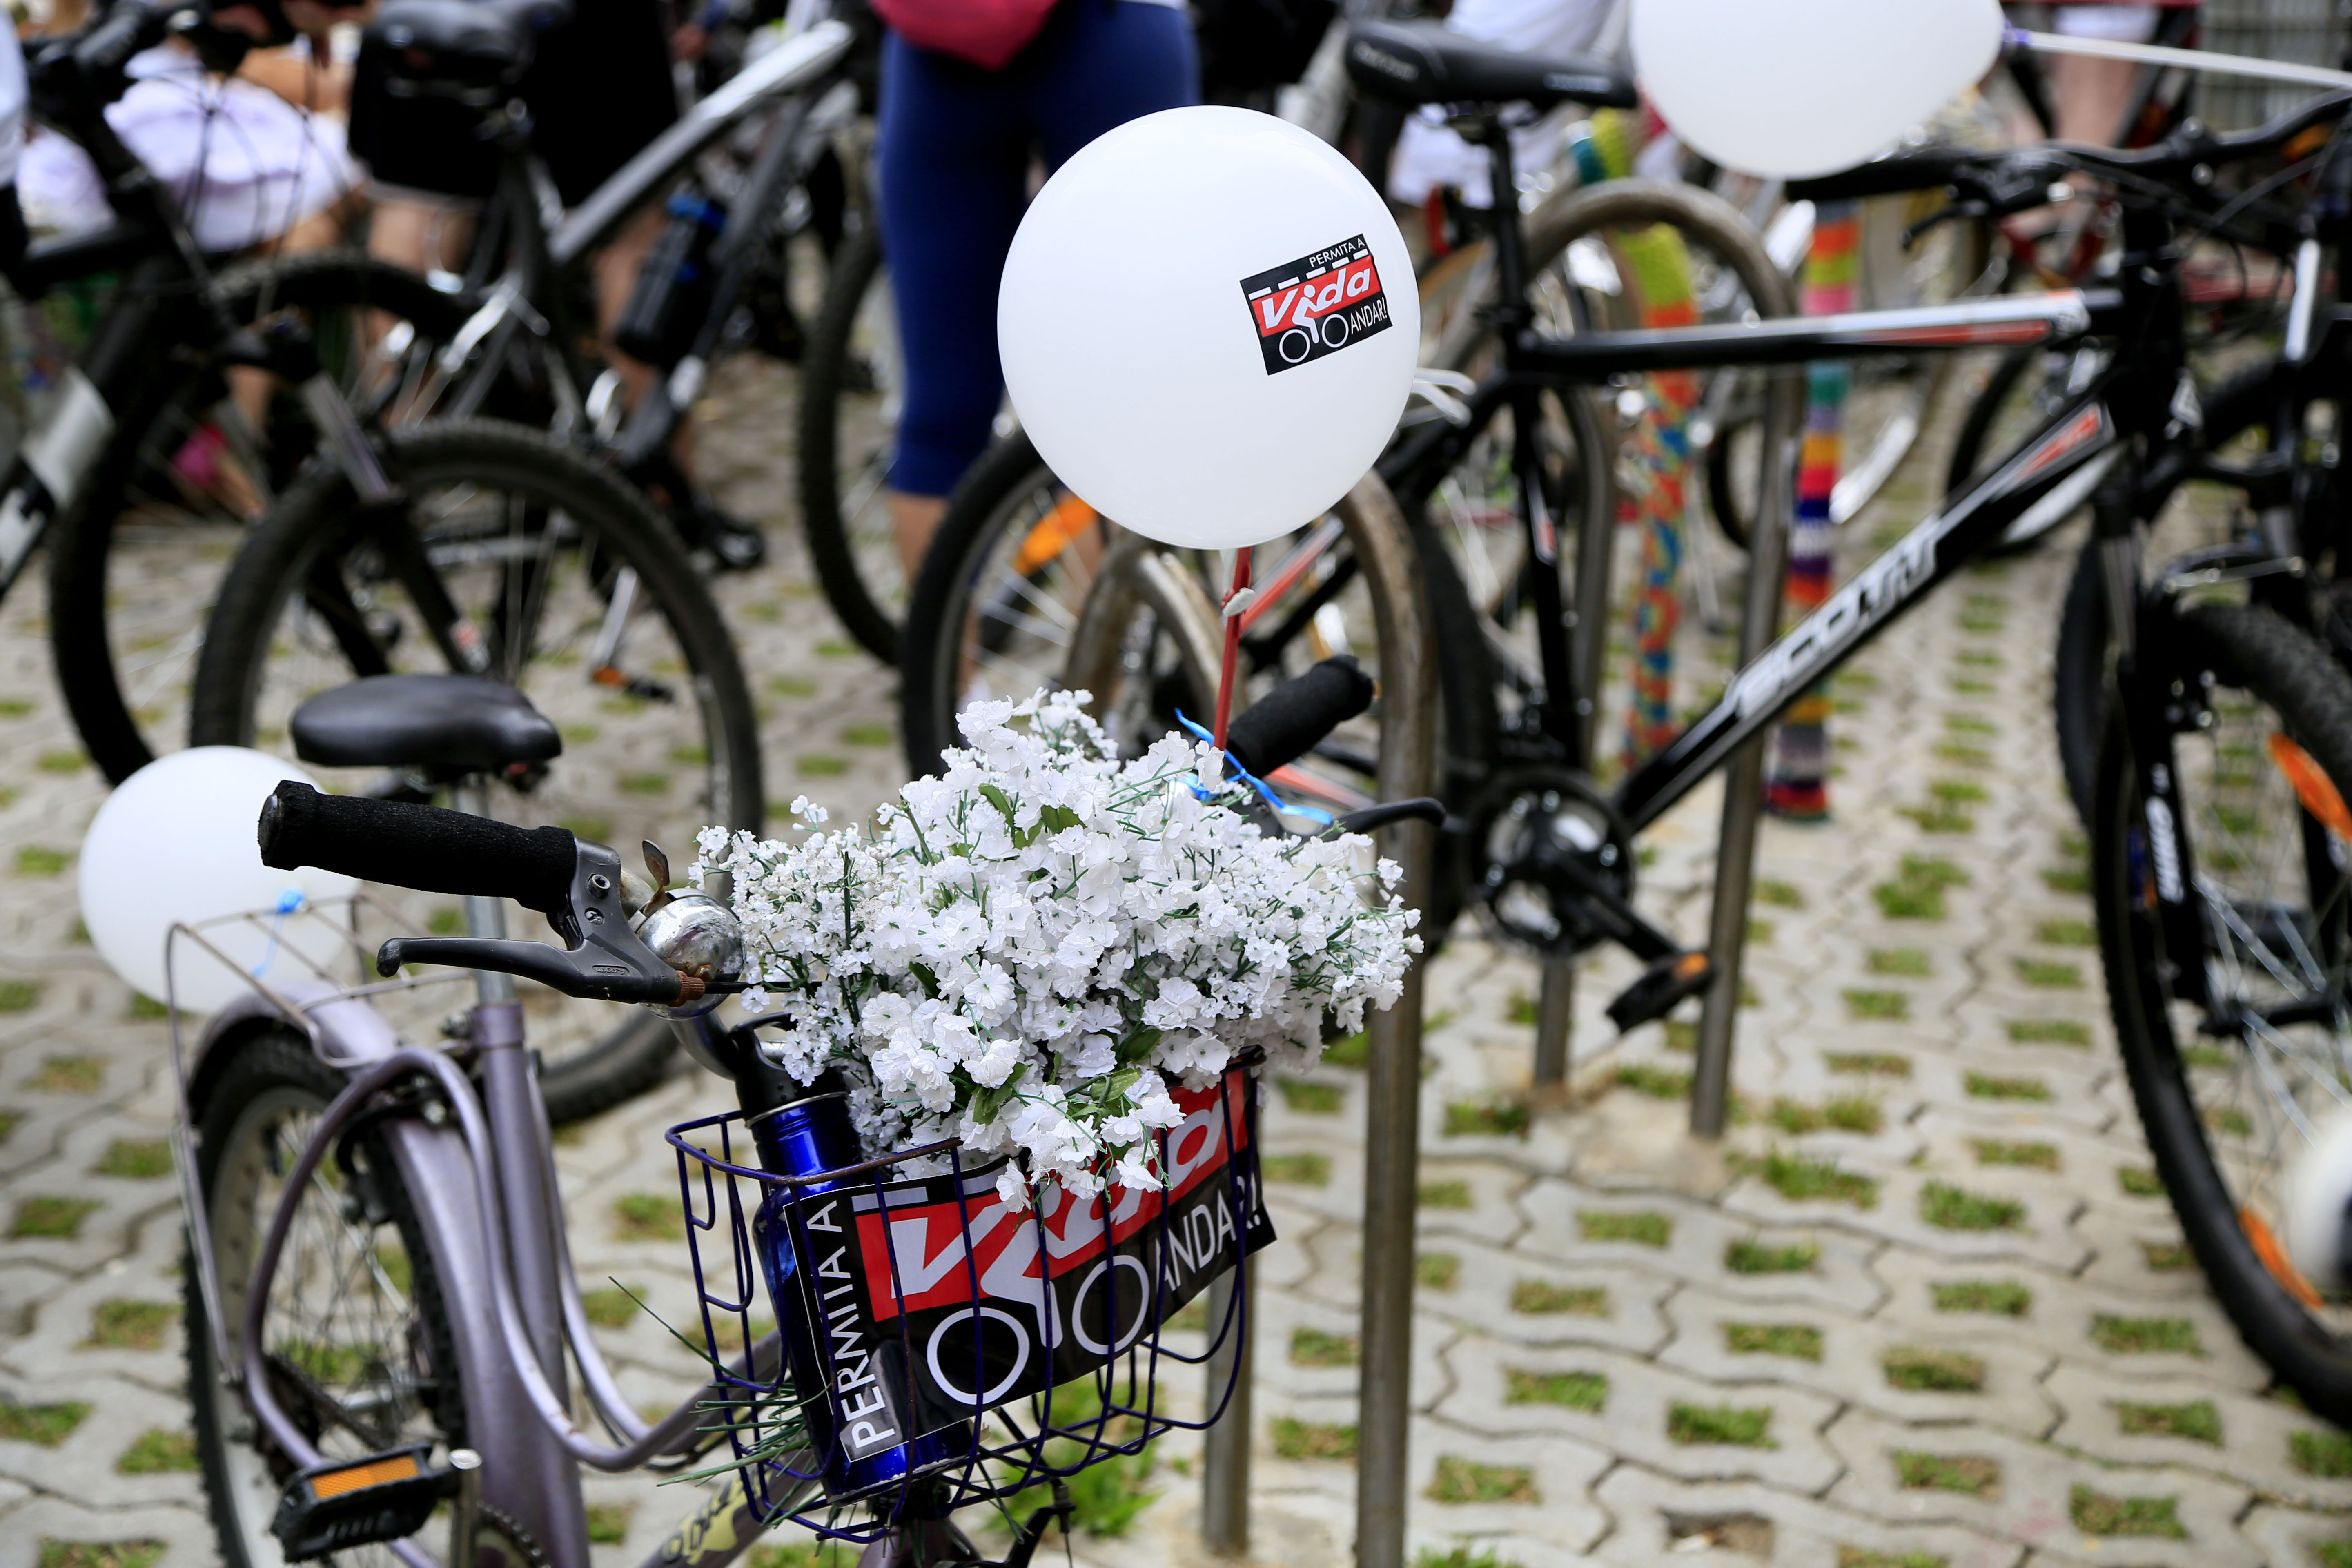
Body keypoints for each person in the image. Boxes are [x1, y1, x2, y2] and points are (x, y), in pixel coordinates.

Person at [875, 0, 1195, 576]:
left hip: (940, 44)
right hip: (1113, 34)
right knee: (1121, 412)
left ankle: (943, 668)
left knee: (939, 428)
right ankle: (1108, 664)